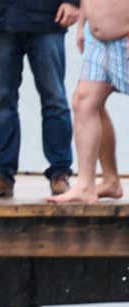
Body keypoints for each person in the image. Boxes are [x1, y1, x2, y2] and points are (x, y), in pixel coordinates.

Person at [0, 0, 81, 197]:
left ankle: (60, 174)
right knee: (1, 101)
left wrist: (74, 2)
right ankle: (0, 175)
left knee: (55, 100)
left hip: (49, 18)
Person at [47, 1, 129, 203]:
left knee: (86, 101)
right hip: (98, 39)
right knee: (84, 101)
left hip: (124, 36)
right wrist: (83, 21)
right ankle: (89, 185)